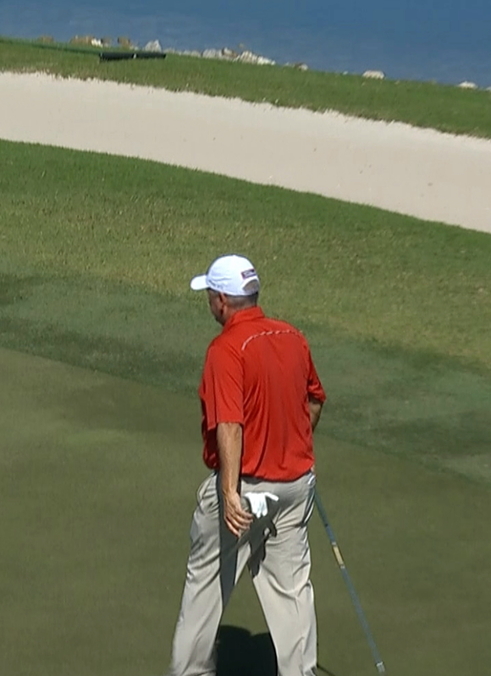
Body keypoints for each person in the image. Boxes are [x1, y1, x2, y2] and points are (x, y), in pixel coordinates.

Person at [167, 254, 326, 676]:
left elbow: (229, 424)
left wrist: (228, 490)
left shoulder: (226, 349)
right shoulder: (292, 336)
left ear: (221, 300)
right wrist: (292, 443)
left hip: (247, 491)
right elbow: (313, 400)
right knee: (291, 589)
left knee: (205, 587)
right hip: (295, 487)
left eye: (210, 295)